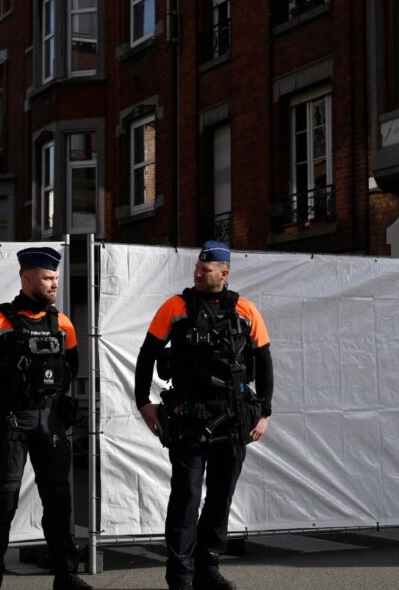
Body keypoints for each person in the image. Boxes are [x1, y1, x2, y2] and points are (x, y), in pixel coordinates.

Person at [136, 241, 274, 590]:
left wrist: (265, 412)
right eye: (196, 268)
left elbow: (266, 361)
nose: (197, 273)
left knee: (220, 497)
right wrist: (143, 402)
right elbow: (147, 354)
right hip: (189, 419)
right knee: (186, 497)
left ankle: (207, 568)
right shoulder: (176, 307)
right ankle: (180, 576)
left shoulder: (245, 310)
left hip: (233, 418)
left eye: (205, 269)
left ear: (224, 273)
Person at [0, 246, 90, 590]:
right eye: (48, 278)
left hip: (51, 421)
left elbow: (71, 368)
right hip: (12, 420)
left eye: (56, 279)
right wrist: (5, 384)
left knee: (58, 499)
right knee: (4, 498)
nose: (54, 284)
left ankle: (66, 574)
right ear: (27, 278)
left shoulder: (62, 323)